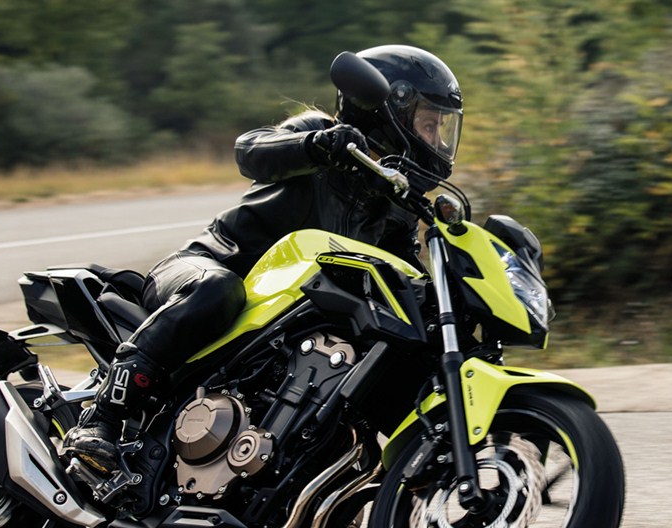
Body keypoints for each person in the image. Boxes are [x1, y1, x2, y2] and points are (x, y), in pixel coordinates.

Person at [63, 44, 464, 474]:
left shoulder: (396, 204)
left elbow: (405, 273)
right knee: (218, 290)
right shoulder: (322, 135)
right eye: (428, 124)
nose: (436, 141)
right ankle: (102, 418)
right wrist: (316, 146)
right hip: (211, 268)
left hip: (283, 318)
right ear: (392, 111)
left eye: (440, 128)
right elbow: (250, 151)